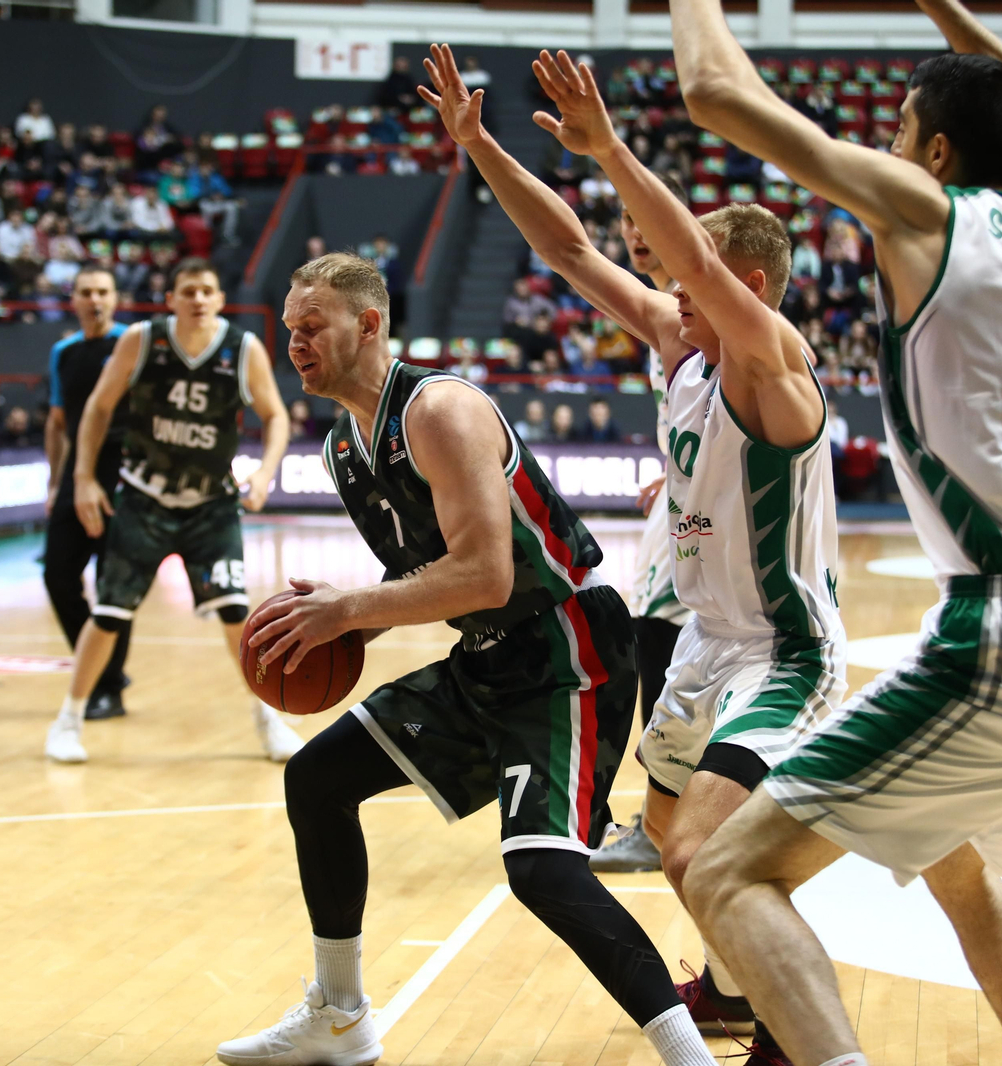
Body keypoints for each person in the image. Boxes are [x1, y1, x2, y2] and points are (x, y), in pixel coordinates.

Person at [662, 4, 1002, 1066]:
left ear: (935, 153)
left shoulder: (928, 214)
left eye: (896, 130)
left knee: (724, 872)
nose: (885, 147)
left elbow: (715, 94)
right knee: (955, 857)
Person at [216, 252, 716, 1066]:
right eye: (289, 329)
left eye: (312, 326)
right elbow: (425, 571)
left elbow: (487, 575)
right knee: (316, 780)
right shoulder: (343, 448)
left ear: (368, 325)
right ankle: (339, 1015)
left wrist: (348, 609)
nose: (295, 343)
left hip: (566, 646)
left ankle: (689, 1056)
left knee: (544, 871)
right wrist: (344, 628)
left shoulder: (440, 411)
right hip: (485, 656)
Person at [481, 48, 844, 1058]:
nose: (667, 285)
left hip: (780, 650)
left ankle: (794, 1031)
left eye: (691, 274)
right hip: (700, 644)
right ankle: (730, 990)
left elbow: (691, 268)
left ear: (748, 286)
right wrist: (481, 147)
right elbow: (566, 250)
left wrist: (610, 148)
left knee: (705, 854)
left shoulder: (774, 370)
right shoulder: (680, 346)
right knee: (681, 854)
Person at [44, 258, 301, 764]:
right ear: (171, 300)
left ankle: (268, 720)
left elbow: (275, 415)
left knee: (237, 615)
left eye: (207, 290)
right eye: (188, 291)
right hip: (144, 499)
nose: (198, 299)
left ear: (220, 299)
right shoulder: (141, 340)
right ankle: (68, 719)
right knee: (108, 613)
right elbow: (97, 407)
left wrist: (265, 471)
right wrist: (83, 477)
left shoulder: (242, 348)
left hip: (211, 504)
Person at [43, 268, 135, 720]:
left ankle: (108, 686)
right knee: (57, 576)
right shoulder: (62, 352)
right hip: (77, 473)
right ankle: (102, 669)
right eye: (86, 292)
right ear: (74, 299)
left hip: (124, 471)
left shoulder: (132, 343)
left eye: (102, 291)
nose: (94, 299)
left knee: (113, 583)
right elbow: (58, 422)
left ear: (115, 298)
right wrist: (54, 481)